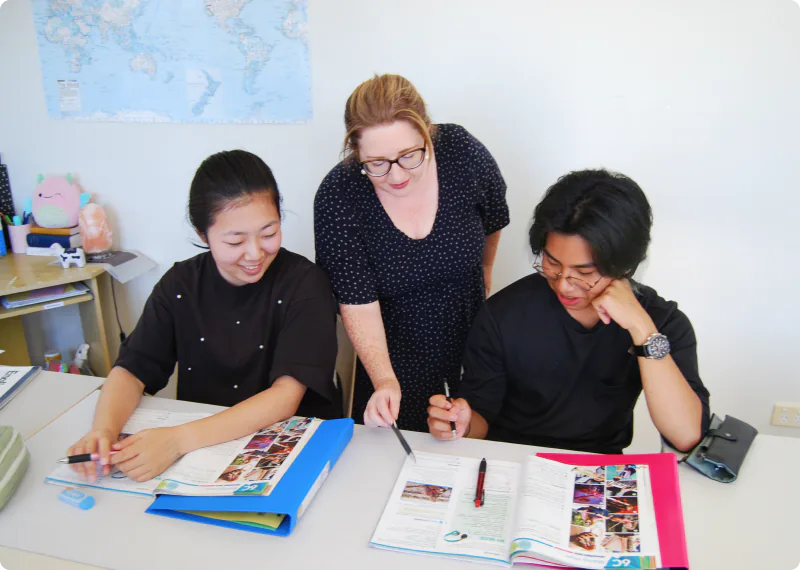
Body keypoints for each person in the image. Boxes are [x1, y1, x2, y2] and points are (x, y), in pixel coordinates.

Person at [68, 150, 339, 483]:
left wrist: (177, 440)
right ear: (202, 234)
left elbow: (285, 398)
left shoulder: (305, 285)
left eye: (268, 233)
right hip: (205, 449)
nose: (255, 252)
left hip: (287, 450)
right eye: (235, 240)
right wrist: (104, 430)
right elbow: (133, 369)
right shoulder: (180, 285)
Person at [428, 169, 710, 453]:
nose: (563, 285)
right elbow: (481, 418)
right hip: (512, 462)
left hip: (599, 472)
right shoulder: (503, 314)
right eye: (551, 263)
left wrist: (641, 329)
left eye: (583, 272)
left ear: (625, 265)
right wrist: (462, 424)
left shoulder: (661, 322)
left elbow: (686, 435)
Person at [314, 74, 509, 432]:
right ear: (355, 152)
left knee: (472, 441)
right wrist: (385, 381)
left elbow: (493, 219)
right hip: (392, 353)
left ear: (427, 132)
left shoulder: (461, 152)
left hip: (473, 343)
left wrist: (485, 272)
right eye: (377, 163)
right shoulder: (338, 196)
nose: (396, 175)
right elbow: (357, 303)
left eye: (409, 155)